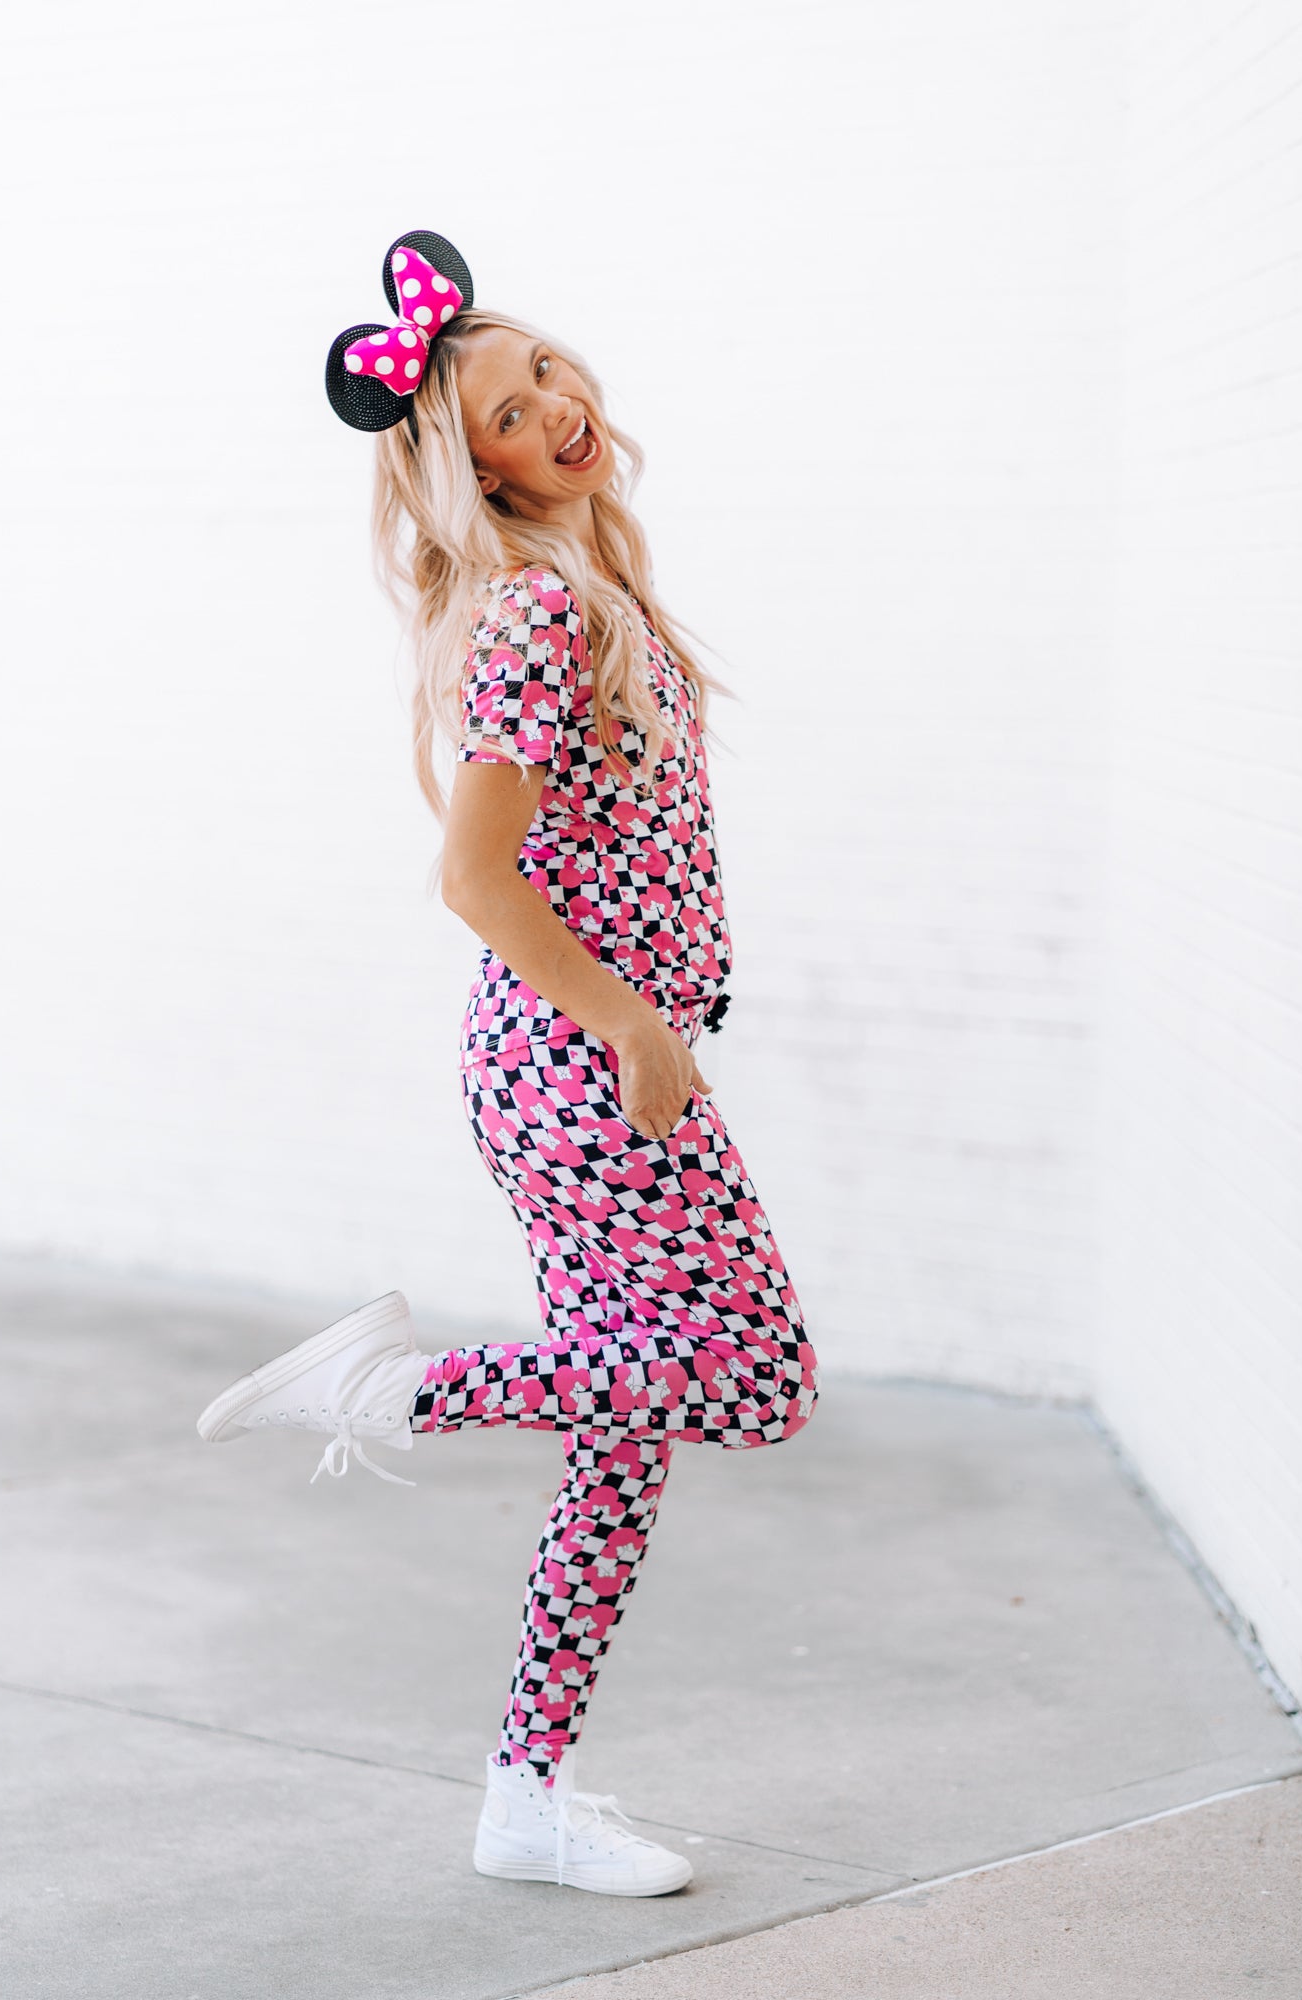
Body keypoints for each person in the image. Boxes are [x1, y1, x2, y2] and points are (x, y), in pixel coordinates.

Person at [196, 232, 820, 1898]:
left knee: (625, 1431)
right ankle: (387, 1389)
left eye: (546, 372)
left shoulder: (582, 587)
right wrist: (632, 1023)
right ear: (471, 463)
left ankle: (523, 1800)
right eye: (508, 407)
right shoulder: (538, 611)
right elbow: (475, 877)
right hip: (579, 1061)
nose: (555, 406)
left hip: (578, 1055)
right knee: (755, 1378)